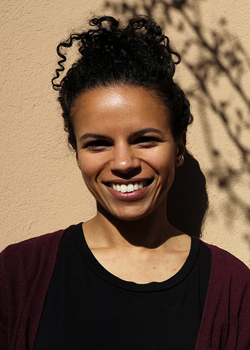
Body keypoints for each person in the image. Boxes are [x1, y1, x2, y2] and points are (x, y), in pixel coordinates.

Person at [0, 15, 250, 350]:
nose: (123, 163)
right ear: (77, 152)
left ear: (179, 148)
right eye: (98, 143)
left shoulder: (233, 288)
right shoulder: (17, 274)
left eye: (145, 139)